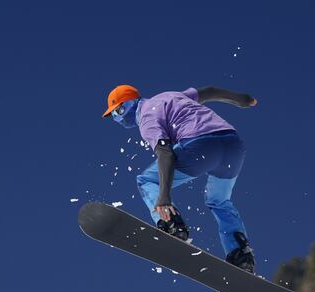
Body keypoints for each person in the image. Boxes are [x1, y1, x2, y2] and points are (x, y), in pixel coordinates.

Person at [102, 84, 258, 273]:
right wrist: (240, 98)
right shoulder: (171, 95)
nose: (118, 117)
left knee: (146, 180)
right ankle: (240, 254)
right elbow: (208, 92)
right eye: (114, 115)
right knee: (219, 200)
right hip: (233, 146)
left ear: (132, 102)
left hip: (201, 146)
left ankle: (171, 223)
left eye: (120, 110)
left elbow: (165, 154)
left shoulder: (146, 117)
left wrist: (164, 197)